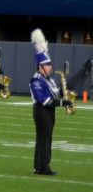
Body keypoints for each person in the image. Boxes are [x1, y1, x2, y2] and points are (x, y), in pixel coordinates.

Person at [29, 29, 62, 176]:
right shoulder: (36, 79)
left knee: (45, 138)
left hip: (48, 111)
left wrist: (63, 93)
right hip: (42, 111)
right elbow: (44, 100)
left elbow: (54, 94)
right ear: (40, 67)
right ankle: (43, 167)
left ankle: (39, 166)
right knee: (44, 139)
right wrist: (61, 104)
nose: (50, 67)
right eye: (47, 65)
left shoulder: (49, 79)